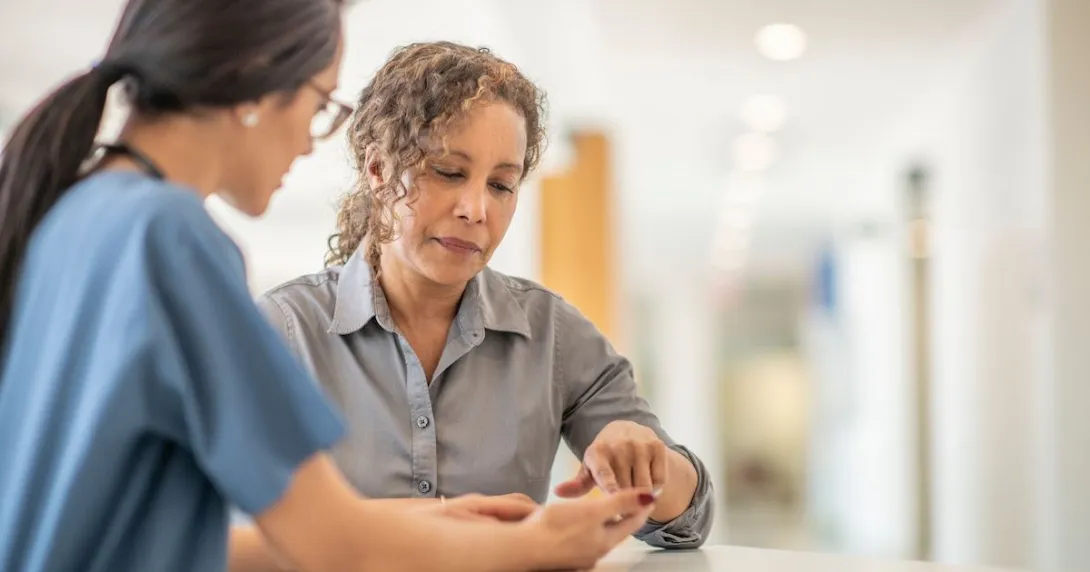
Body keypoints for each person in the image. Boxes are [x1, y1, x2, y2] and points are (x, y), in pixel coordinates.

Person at [0, 2, 658, 571]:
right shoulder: (172, 239)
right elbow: (337, 548)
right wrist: (539, 542)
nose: (310, 144)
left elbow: (155, 546)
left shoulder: (76, 213)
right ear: (254, 82)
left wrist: (445, 522)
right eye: (320, 105)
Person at [256, 41, 715, 552]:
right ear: (379, 170)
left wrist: (649, 463)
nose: (476, 209)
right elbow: (230, 530)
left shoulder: (552, 335)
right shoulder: (281, 332)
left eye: (501, 185)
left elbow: (688, 522)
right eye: (450, 173)